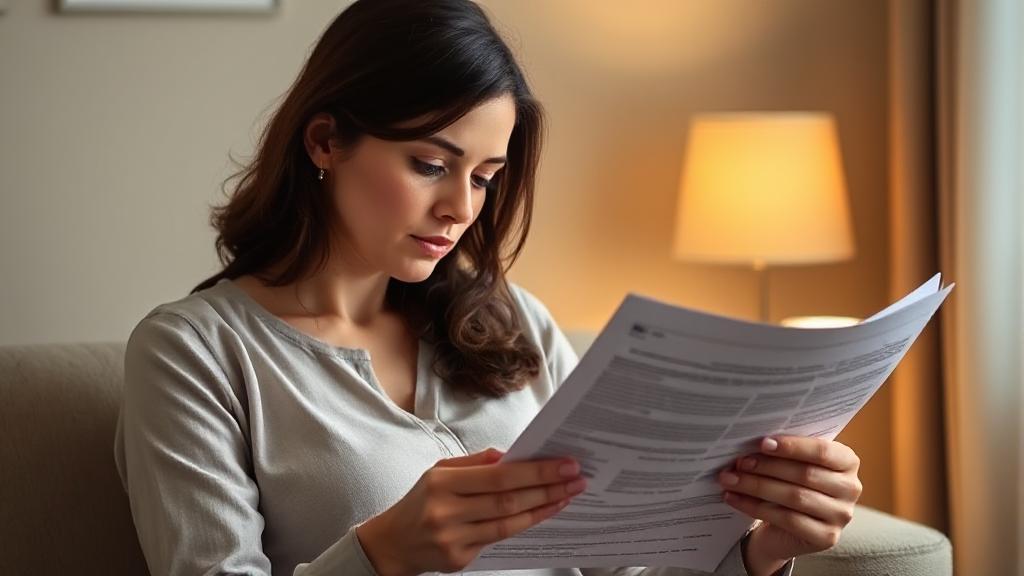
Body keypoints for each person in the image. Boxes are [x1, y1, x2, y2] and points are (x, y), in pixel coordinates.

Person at [113, 1, 863, 575]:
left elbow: (619, 561)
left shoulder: (511, 321)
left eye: (483, 177)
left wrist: (764, 550)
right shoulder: (194, 352)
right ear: (325, 142)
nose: (462, 210)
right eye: (430, 165)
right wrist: (381, 554)